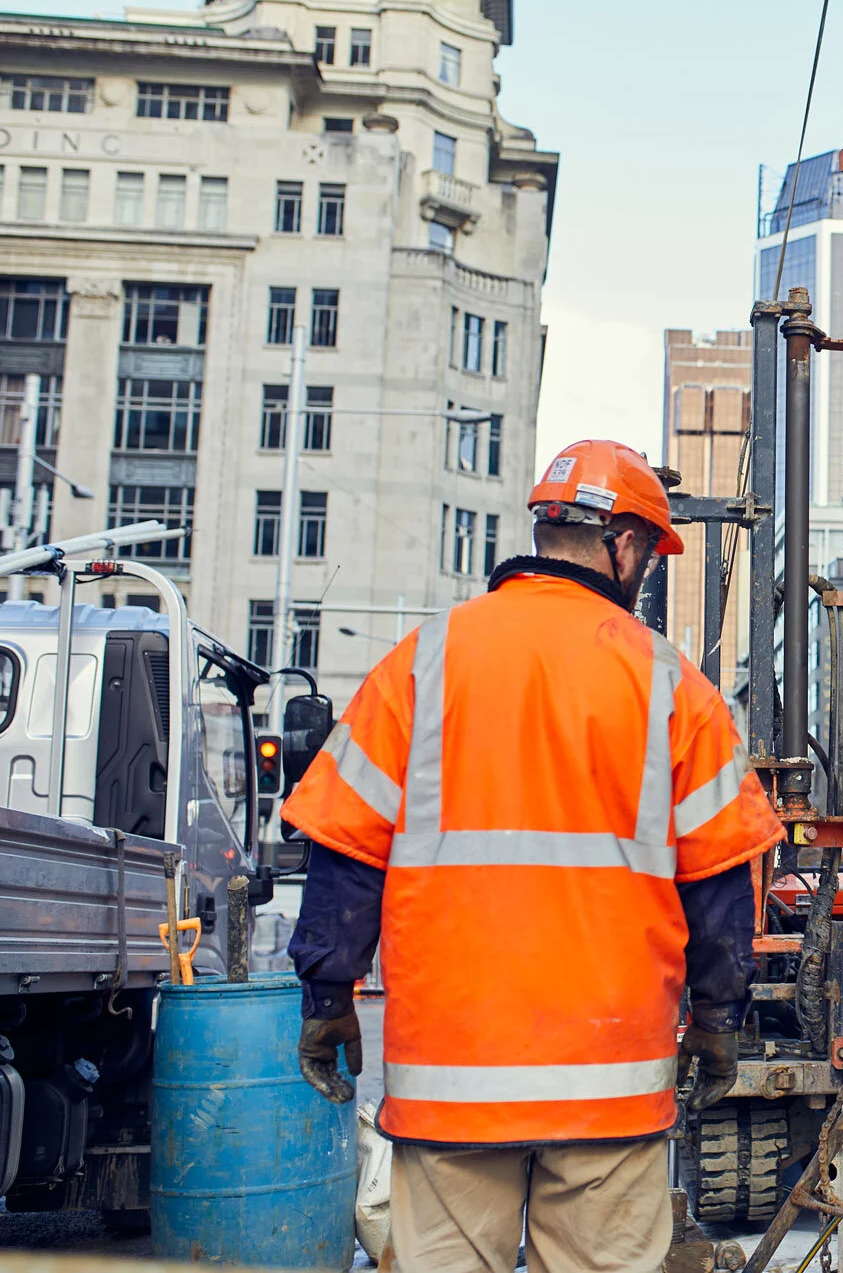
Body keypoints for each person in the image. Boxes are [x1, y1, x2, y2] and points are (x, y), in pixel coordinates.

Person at [284, 439, 783, 1273]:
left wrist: (327, 994)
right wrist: (718, 1020)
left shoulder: (422, 664)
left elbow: (344, 850)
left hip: (451, 1081)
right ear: (622, 545)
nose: (645, 579)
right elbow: (721, 886)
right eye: (649, 560)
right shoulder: (669, 685)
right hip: (610, 1084)